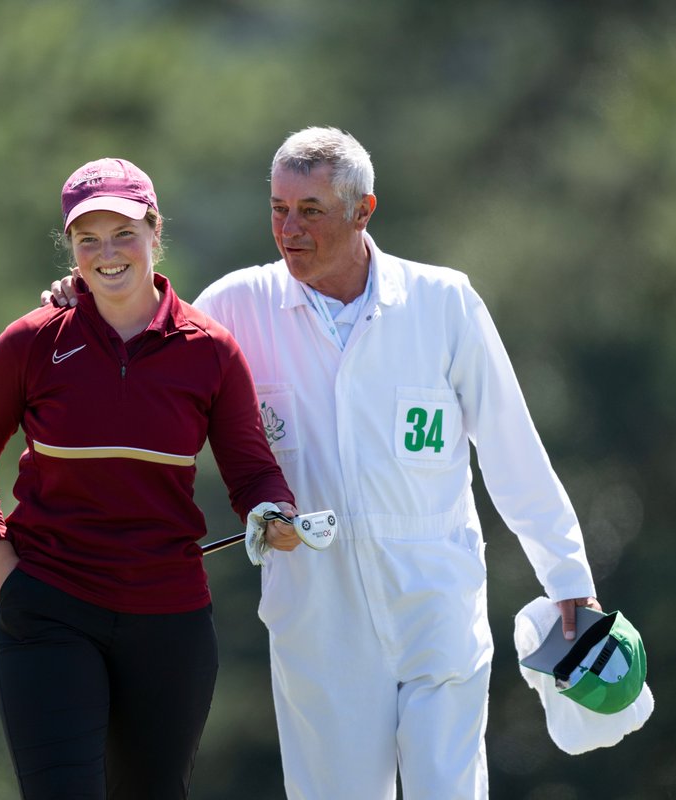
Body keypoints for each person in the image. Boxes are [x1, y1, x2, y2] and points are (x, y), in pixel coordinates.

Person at [43, 130, 600, 800]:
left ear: (363, 211)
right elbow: (142, 354)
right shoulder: (237, 305)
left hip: (436, 604)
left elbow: (512, 446)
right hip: (318, 615)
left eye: (310, 210)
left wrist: (567, 573)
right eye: (278, 208)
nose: (289, 229)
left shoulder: (442, 303)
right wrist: (87, 310)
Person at [0, 156, 298, 800]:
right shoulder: (33, 341)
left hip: (169, 618)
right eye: (88, 239)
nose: (108, 253)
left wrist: (275, 512)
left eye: (124, 232)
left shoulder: (209, 349)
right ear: (71, 248)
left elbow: (251, 470)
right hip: (47, 607)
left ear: (156, 234)